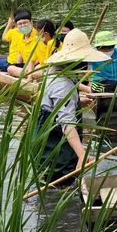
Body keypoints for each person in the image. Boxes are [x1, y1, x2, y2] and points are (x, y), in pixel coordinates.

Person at [31, 29, 101, 181]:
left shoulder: (54, 71)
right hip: (55, 145)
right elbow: (67, 124)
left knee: (45, 176)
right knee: (60, 180)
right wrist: (82, 154)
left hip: (42, 138)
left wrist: (77, 101)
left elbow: (51, 102)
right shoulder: (63, 84)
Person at [0, 8, 39, 73]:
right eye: (20, 24)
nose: (23, 25)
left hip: (22, 64)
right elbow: (20, 55)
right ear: (16, 24)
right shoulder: (21, 34)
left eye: (25, 22)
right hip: (19, 64)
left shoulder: (37, 35)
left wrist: (9, 24)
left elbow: (4, 39)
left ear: (31, 21)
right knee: (9, 67)